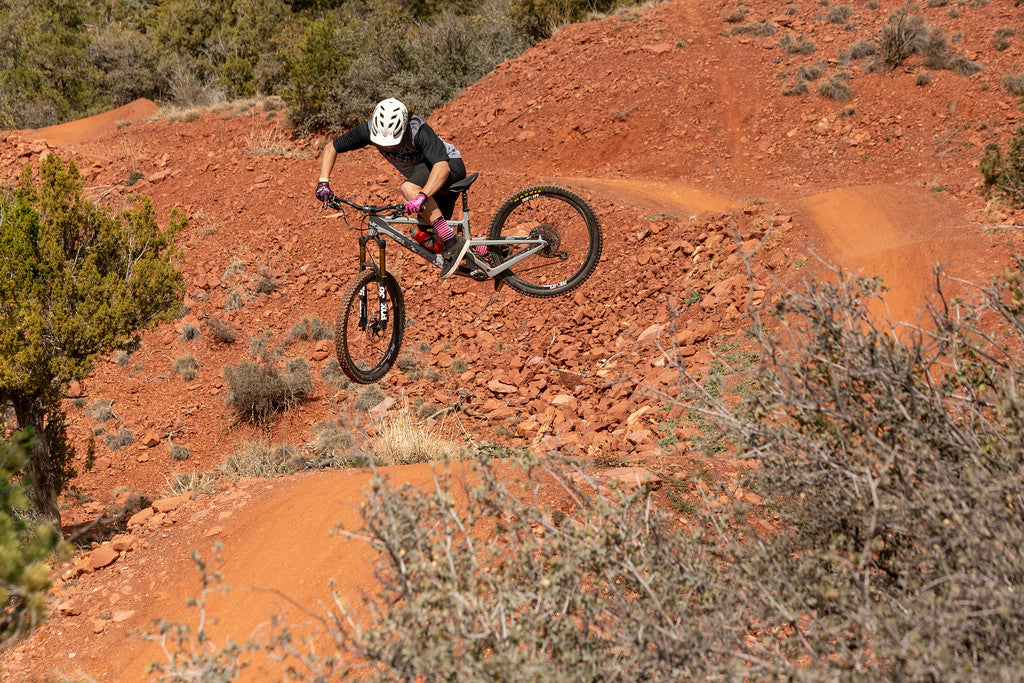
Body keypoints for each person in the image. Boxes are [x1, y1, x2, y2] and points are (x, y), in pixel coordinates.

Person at [315, 98, 473, 279]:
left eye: (392, 140)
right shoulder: (369, 130)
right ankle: (489, 255)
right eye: (382, 141)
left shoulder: (418, 130)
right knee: (425, 235)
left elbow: (442, 166)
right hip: (427, 178)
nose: (387, 145)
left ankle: (454, 243)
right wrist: (323, 182)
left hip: (450, 168)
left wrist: (423, 196)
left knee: (408, 189)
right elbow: (331, 147)